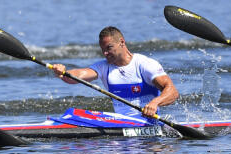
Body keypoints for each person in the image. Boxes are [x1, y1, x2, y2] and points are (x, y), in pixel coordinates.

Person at [51, 26, 179, 119]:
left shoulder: (145, 64)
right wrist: (63, 73)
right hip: (120, 122)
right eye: (102, 49)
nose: (105, 53)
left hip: (149, 122)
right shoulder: (103, 67)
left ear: (122, 42)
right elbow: (78, 76)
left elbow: (173, 92)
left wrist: (154, 103)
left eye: (109, 48)